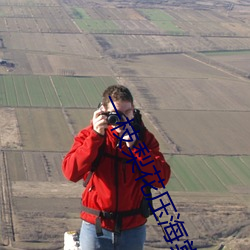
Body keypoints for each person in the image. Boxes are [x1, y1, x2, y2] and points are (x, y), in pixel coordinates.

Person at [62, 85, 171, 250]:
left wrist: (136, 147)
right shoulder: (90, 136)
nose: (124, 119)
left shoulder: (144, 138)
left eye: (128, 112)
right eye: (117, 114)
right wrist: (96, 136)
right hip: (97, 226)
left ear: (133, 110)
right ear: (103, 111)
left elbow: (160, 179)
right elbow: (71, 172)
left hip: (132, 228)